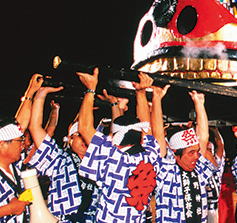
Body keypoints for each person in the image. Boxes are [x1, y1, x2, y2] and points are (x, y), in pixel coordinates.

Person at [78, 69, 161, 222]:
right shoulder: (152, 154)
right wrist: (141, 93)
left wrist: (90, 88)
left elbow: (83, 127)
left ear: (116, 136)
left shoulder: (112, 158)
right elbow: (147, 127)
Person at [28, 83, 100, 223]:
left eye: (85, 135)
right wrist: (40, 95)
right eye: (78, 135)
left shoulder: (99, 161)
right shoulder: (60, 159)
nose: (84, 139)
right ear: (69, 139)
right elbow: (35, 128)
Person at [152, 86, 217, 222]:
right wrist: (157, 99)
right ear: (175, 154)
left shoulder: (199, 170)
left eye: (197, 151)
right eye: (191, 152)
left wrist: (199, 103)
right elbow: (158, 135)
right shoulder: (166, 171)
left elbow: (203, 138)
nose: (196, 156)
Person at [0, 73, 43, 222]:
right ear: (2, 144)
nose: (23, 144)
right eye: (20, 141)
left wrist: (30, 93)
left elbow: (20, 124)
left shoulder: (14, 165)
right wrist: (9, 209)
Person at [206, 126, 225, 223]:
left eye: (210, 150)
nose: (208, 153)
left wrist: (215, 131)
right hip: (201, 207)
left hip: (213, 208)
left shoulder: (216, 164)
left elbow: (220, 146)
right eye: (206, 150)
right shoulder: (198, 164)